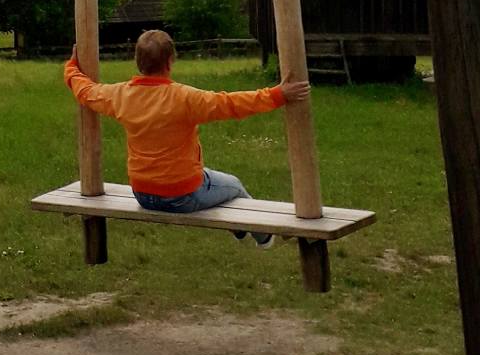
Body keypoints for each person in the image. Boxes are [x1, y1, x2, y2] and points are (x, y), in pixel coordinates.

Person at [64, 29, 309, 247]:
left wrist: (72, 68)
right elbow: (232, 104)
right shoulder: (184, 98)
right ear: (170, 61)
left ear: (137, 62)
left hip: (142, 193)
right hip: (182, 195)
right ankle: (262, 237)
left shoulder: (119, 96)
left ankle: (239, 227)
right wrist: (278, 95)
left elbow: (87, 91)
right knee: (233, 184)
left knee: (215, 181)